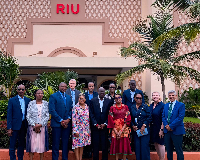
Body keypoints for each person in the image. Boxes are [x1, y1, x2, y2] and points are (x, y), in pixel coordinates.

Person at [49, 82, 73, 160]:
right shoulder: (53, 96)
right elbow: (52, 110)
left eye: (65, 87)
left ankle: (65, 158)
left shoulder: (68, 97)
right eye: (62, 86)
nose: (64, 88)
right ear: (59, 87)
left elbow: (71, 109)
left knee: (65, 143)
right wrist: (61, 121)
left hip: (67, 125)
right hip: (57, 124)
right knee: (56, 144)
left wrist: (68, 119)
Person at [7, 84, 31, 160]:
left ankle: (20, 158)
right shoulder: (12, 100)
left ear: (25, 91)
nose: (21, 91)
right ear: (17, 90)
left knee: (21, 144)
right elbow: (9, 115)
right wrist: (9, 127)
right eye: (19, 89)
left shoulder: (28, 100)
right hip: (14, 126)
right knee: (12, 145)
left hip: (24, 126)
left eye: (22, 89)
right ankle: (12, 158)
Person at [89, 87, 112, 160]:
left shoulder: (109, 101)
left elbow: (110, 114)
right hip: (95, 127)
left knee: (104, 145)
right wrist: (95, 124)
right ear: (98, 92)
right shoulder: (93, 100)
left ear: (105, 92)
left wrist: (105, 123)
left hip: (104, 127)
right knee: (95, 145)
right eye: (100, 92)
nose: (102, 93)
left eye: (103, 92)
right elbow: (91, 113)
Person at [26, 89, 49, 160]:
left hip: (42, 127)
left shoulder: (46, 103)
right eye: (38, 93)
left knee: (41, 145)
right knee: (32, 145)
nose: (40, 94)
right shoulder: (31, 103)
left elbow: (47, 116)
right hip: (32, 128)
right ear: (35, 94)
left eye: (41, 93)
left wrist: (40, 125)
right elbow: (28, 116)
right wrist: (34, 125)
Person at [162, 90, 185, 160]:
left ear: (176, 96)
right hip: (167, 131)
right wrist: (166, 126)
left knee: (179, 150)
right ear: (168, 96)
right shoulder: (166, 105)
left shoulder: (181, 105)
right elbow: (163, 116)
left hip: (177, 131)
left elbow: (180, 117)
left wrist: (171, 126)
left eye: (172, 95)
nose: (171, 97)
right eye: (170, 95)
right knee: (169, 150)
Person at [108, 94, 132, 160]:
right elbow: (110, 119)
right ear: (114, 99)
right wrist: (116, 131)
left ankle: (124, 159)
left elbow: (128, 119)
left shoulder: (126, 107)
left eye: (119, 97)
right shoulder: (112, 108)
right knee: (116, 145)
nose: (117, 99)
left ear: (121, 98)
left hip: (124, 128)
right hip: (115, 128)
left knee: (124, 144)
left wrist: (121, 130)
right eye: (116, 98)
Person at [130, 93, 151, 160]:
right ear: (134, 98)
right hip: (136, 130)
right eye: (137, 98)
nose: (139, 99)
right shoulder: (132, 107)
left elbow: (149, 117)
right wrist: (133, 125)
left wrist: (144, 125)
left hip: (144, 130)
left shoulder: (145, 106)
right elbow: (129, 118)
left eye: (140, 98)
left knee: (144, 147)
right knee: (137, 147)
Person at [72, 93, 91, 160]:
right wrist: (75, 130)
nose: (81, 100)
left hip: (85, 129)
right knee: (76, 145)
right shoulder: (75, 107)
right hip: (78, 129)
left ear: (85, 99)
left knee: (82, 145)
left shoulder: (87, 107)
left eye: (83, 98)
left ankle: (80, 158)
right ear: (78, 99)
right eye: (80, 98)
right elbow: (74, 120)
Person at [83, 82, 98, 158]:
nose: (91, 87)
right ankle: (86, 151)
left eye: (92, 86)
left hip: (94, 116)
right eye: (90, 86)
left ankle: (91, 150)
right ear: (88, 87)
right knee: (86, 134)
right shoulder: (84, 95)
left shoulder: (96, 94)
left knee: (93, 134)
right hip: (85, 117)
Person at [149, 92, 165, 160]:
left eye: (156, 95)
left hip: (159, 127)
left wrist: (161, 130)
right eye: (153, 95)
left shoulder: (162, 105)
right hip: (153, 128)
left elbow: (164, 118)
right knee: (155, 143)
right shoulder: (151, 105)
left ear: (159, 96)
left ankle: (162, 159)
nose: (155, 96)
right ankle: (160, 158)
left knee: (160, 144)